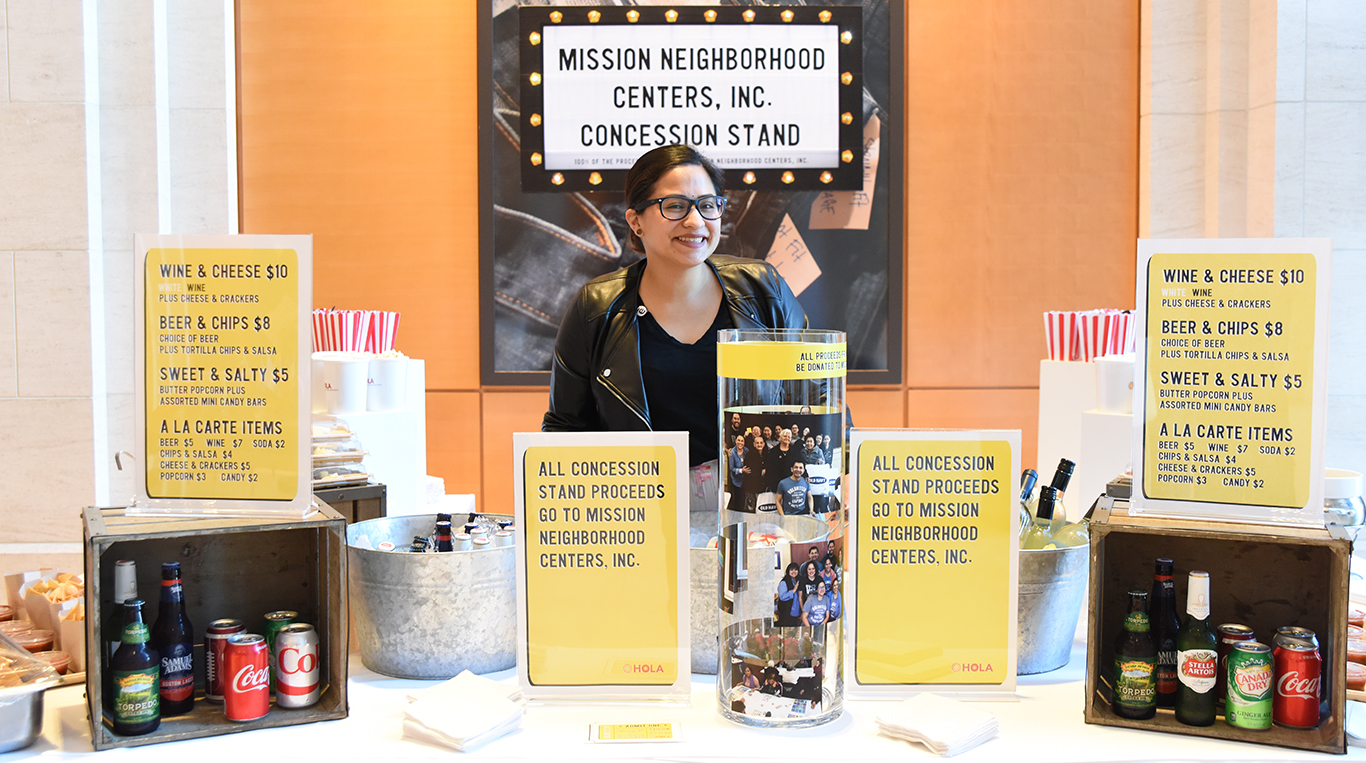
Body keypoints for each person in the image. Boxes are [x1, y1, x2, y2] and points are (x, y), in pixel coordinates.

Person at [542, 145, 808, 482]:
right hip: (638, 506)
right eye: (675, 206)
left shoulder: (762, 289)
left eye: (708, 206)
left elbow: (817, 395)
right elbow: (564, 427)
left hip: (754, 500)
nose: (695, 221)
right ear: (636, 221)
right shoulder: (595, 307)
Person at [744, 433, 768, 511]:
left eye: (761, 443)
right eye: (757, 443)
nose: (759, 444)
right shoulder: (749, 455)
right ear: (754, 444)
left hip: (762, 487)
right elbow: (749, 470)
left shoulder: (766, 454)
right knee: (750, 510)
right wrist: (762, 472)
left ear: (764, 444)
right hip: (751, 487)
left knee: (761, 509)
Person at [775, 562, 803, 627]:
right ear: (788, 571)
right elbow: (782, 597)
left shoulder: (798, 580)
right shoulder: (784, 582)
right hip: (787, 612)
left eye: (795, 570)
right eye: (791, 570)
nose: (794, 571)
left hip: (796, 611)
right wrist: (793, 591)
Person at [726, 433, 748, 499]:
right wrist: (741, 470)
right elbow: (731, 468)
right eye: (738, 440)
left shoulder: (747, 451)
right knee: (738, 499)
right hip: (736, 481)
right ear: (735, 441)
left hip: (746, 481)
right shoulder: (732, 453)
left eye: (742, 441)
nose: (740, 442)